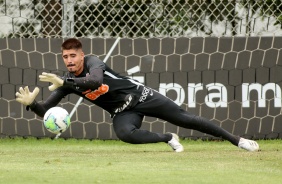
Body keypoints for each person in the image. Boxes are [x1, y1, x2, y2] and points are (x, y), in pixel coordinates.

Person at [15, 38, 259, 152]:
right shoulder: (65, 82)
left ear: (81, 55)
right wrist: (32, 104)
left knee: (185, 118)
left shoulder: (93, 62)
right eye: (65, 57)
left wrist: (65, 80)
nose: (69, 61)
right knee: (124, 134)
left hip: (142, 96)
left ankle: (238, 141)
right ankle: (168, 138)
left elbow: (95, 80)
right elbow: (47, 111)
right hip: (123, 113)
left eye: (72, 56)